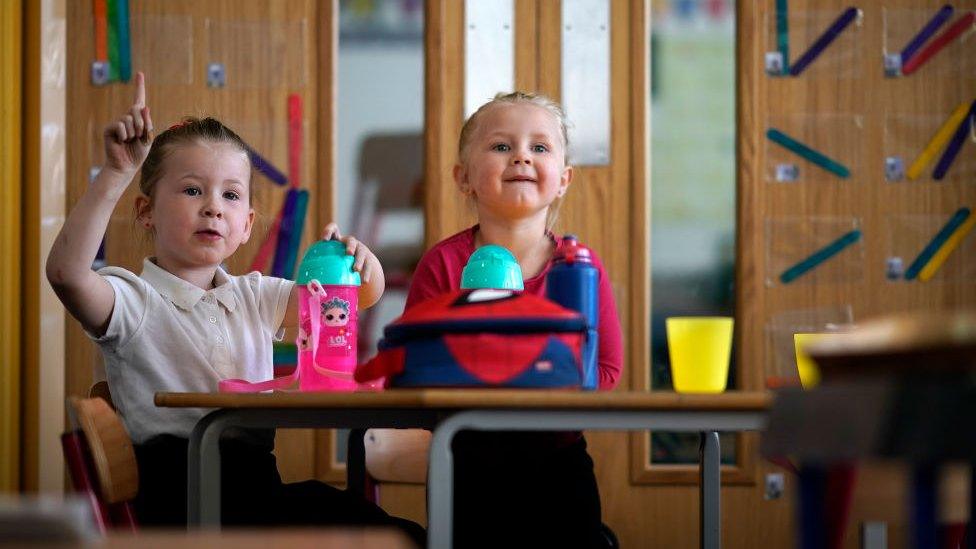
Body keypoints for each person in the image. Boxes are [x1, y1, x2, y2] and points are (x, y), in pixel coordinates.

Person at [46, 72, 422, 543]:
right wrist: (117, 173)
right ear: (145, 212)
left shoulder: (255, 295)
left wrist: (360, 267)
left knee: (394, 530)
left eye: (230, 194)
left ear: (246, 225)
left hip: (255, 491)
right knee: (378, 534)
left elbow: (353, 302)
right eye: (191, 190)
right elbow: (66, 274)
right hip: (184, 505)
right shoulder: (130, 299)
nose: (213, 208)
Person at [404, 91, 623, 547]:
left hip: (561, 464)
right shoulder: (442, 265)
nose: (521, 155)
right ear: (464, 178)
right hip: (465, 464)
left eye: (539, 147)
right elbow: (414, 369)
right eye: (502, 146)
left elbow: (606, 370)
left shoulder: (580, 268)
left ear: (562, 179)